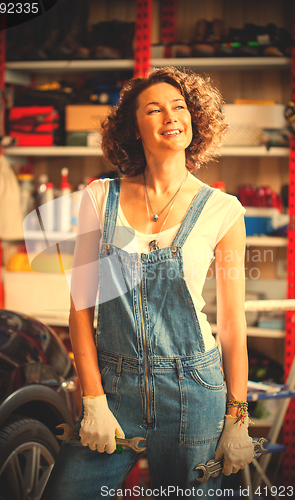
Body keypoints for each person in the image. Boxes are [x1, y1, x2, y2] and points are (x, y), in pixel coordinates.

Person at [42, 67, 254, 500]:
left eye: (179, 107)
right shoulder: (100, 199)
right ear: (134, 129)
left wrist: (237, 417)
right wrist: (94, 400)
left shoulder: (222, 210)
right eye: (153, 109)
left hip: (193, 391)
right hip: (114, 385)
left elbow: (232, 324)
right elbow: (81, 308)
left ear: (194, 119)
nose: (170, 117)